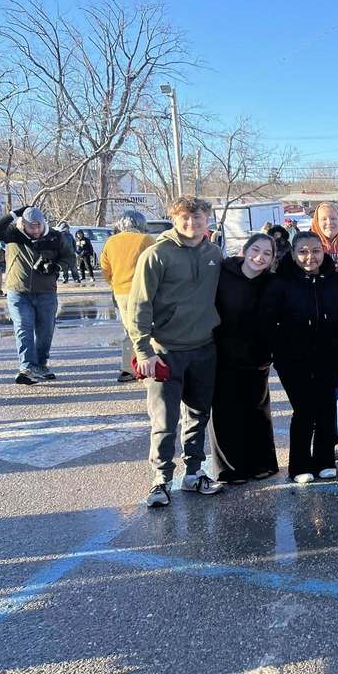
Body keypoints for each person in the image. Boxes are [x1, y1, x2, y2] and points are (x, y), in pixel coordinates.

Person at [128, 196, 225, 508]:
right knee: (165, 420)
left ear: (207, 220)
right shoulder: (157, 254)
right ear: (174, 218)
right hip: (165, 351)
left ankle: (194, 473)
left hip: (203, 348)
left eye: (198, 218)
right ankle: (161, 479)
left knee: (198, 414)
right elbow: (139, 306)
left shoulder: (213, 252)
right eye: (185, 218)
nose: (191, 224)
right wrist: (144, 351)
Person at [261, 231, 338, 483]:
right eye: (303, 251)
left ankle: (325, 459)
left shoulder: (337, 282)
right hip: (293, 359)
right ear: (293, 254)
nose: (309, 257)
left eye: (315, 250)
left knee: (326, 408)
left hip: (329, 356)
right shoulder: (281, 283)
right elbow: (268, 322)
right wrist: (278, 353)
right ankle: (299, 465)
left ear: (323, 251)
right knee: (304, 410)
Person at [210, 233, 279, 484]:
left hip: (257, 356)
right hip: (222, 352)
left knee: (257, 411)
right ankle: (229, 469)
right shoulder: (223, 273)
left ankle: (261, 463)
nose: (260, 257)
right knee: (226, 411)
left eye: (267, 254)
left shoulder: (272, 282)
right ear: (245, 250)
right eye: (256, 250)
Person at [0, 206, 76, 384]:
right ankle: (27, 367)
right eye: (31, 227)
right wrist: (15, 212)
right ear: (23, 225)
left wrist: (56, 267)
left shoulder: (55, 237)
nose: (36, 230)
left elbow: (70, 257)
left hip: (46, 292)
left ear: (43, 223)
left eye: (38, 226)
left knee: (45, 330)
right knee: (23, 326)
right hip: (18, 291)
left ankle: (40, 364)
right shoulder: (13, 234)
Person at [100, 210, 156, 382]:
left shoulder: (110, 242)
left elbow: (105, 269)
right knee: (147, 329)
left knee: (129, 330)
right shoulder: (148, 240)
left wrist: (115, 284)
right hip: (145, 291)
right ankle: (149, 366)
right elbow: (155, 266)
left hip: (121, 292)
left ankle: (128, 368)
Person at [310, 202, 338, 270]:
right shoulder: (307, 245)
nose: (329, 222)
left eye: (333, 218)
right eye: (324, 219)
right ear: (317, 223)